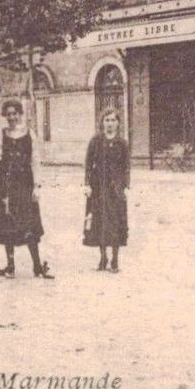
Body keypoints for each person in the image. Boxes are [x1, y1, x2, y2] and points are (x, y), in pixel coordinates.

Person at [0, 99, 52, 279]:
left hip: (24, 184)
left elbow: (35, 161)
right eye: (8, 114)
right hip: (4, 185)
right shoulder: (0, 134)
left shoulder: (29, 134)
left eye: (14, 113)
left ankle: (37, 266)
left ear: (19, 114)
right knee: (7, 224)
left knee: (30, 225)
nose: (11, 117)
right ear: (5, 116)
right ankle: (10, 267)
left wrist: (36, 186)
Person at [83, 109, 130, 273]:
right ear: (102, 122)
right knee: (100, 222)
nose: (110, 123)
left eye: (113, 120)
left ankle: (115, 259)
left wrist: (126, 186)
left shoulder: (122, 143)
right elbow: (88, 164)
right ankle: (103, 258)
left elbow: (126, 168)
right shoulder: (95, 141)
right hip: (98, 188)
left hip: (116, 189)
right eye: (107, 120)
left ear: (118, 123)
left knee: (116, 222)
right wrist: (87, 184)